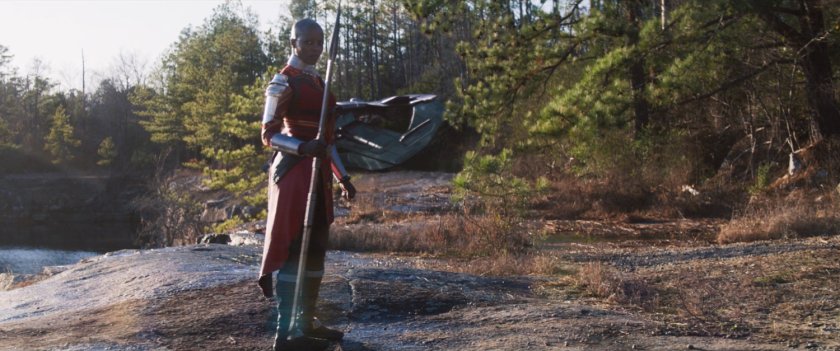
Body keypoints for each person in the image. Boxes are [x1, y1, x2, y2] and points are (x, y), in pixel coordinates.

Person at [257, 18, 356, 351]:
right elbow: (268, 134)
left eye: (319, 42)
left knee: (315, 250)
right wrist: (302, 147)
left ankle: (307, 323)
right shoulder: (283, 82)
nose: (314, 47)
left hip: (320, 175)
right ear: (294, 43)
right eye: (308, 42)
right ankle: (286, 335)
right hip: (294, 173)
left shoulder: (321, 83)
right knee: (294, 250)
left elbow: (327, 141)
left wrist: (344, 177)